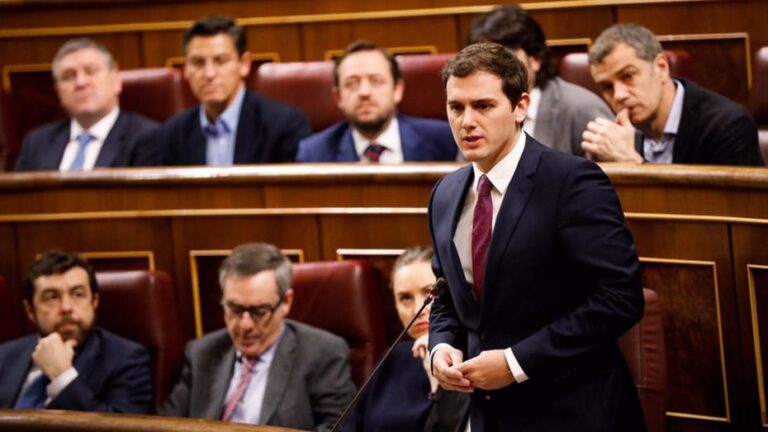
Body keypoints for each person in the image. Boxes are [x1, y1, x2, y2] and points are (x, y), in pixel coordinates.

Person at [428, 43, 646, 431]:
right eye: (456, 108)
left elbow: (619, 300)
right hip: (488, 415)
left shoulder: (572, 182)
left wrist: (515, 363)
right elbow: (446, 295)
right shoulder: (446, 193)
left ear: (520, 107)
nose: (467, 122)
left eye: (483, 106)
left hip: (572, 411)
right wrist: (442, 346)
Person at [159, 242, 355, 430]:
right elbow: (161, 426)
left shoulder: (323, 354)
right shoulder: (202, 353)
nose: (245, 325)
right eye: (234, 309)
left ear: (286, 302)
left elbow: (338, 428)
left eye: (259, 311)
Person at [582, 23, 764, 166]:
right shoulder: (617, 138)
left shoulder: (727, 125)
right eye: (607, 87)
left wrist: (632, 163)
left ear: (661, 68)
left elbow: (727, 210)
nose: (619, 95)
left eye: (628, 76)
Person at [0, 250, 152, 412]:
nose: (67, 307)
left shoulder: (127, 360)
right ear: (30, 310)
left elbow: (122, 427)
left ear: (94, 301)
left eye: (78, 294)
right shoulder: (4, 356)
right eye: (52, 297)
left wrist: (62, 377)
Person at [150, 16, 311, 166]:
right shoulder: (171, 134)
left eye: (221, 61)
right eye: (198, 62)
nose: (209, 74)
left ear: (244, 64)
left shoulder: (283, 126)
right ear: (186, 69)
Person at [340, 246, 468, 432]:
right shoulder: (395, 356)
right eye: (405, 298)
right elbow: (349, 425)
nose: (418, 309)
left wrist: (437, 382)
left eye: (430, 293)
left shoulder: (471, 357)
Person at [468, 5, 612, 156]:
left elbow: (613, 175)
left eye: (503, 58)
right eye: (483, 61)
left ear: (535, 59)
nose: (490, 69)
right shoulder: (471, 110)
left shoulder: (581, 109)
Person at [296, 40, 457, 162]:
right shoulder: (313, 154)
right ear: (338, 97)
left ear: (397, 90)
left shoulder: (444, 140)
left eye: (376, 81)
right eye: (352, 83)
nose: (364, 92)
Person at [14, 38, 159, 171]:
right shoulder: (37, 143)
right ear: (58, 91)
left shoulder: (147, 138)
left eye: (91, 71)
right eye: (69, 76)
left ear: (116, 81)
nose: (80, 83)